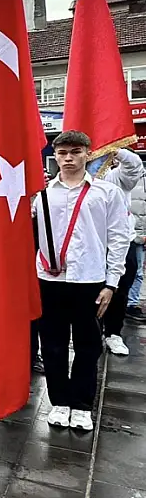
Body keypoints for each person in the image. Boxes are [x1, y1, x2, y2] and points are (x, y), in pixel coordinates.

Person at [34, 131, 133, 432]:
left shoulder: (105, 192)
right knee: (52, 345)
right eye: (62, 153)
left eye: (75, 152)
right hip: (49, 279)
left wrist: (111, 283)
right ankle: (59, 401)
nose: (68, 158)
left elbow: (118, 238)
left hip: (89, 278)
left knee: (88, 345)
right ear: (55, 155)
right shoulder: (41, 194)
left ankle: (81, 404)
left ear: (88, 154)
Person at [95, 149, 145, 355]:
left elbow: (134, 166)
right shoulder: (78, 178)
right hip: (92, 243)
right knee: (91, 290)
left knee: (119, 289)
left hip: (122, 242)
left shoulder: (116, 176)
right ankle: (93, 332)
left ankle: (113, 334)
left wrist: (113, 147)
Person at [128, 177, 146, 321]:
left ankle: (131, 304)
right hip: (129, 234)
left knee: (138, 272)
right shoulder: (128, 181)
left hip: (140, 234)